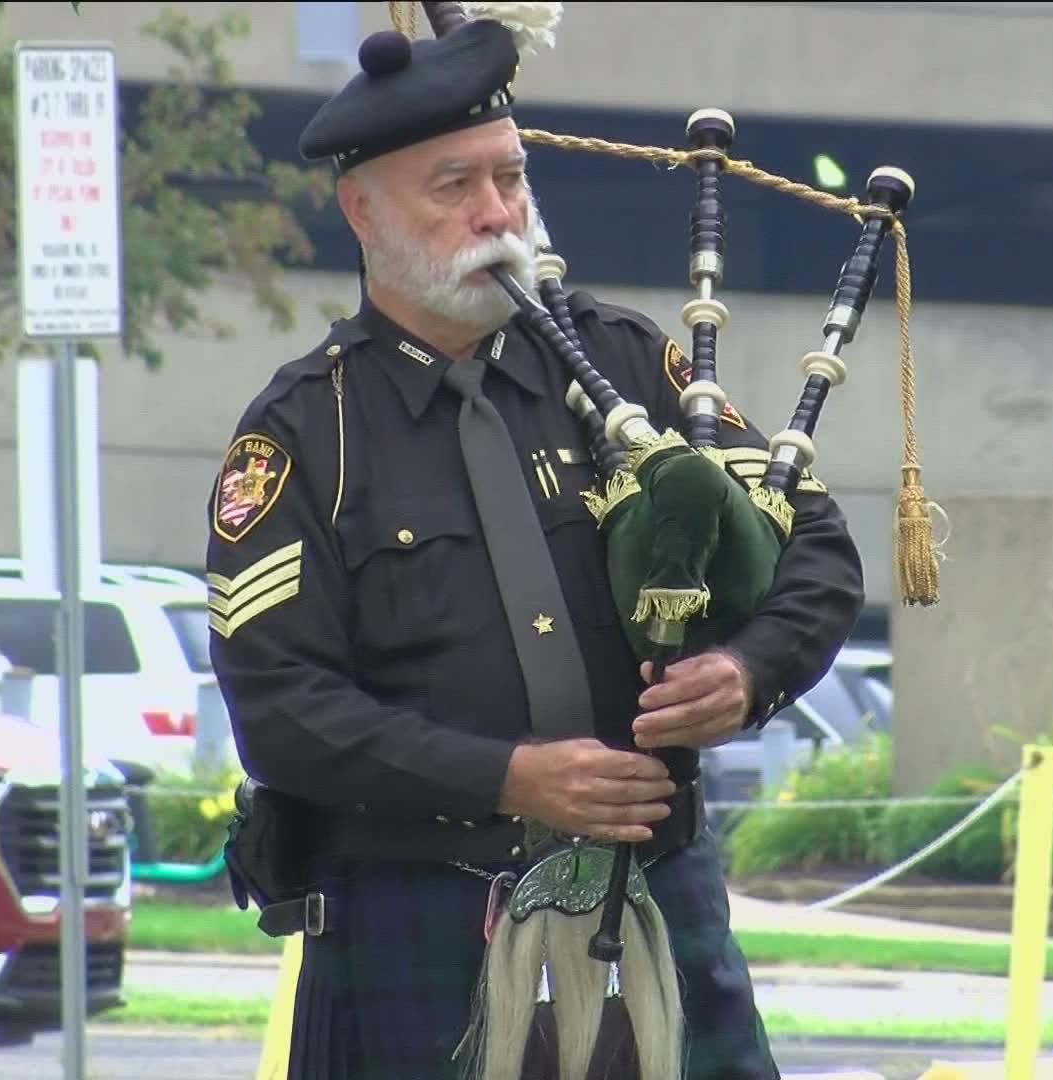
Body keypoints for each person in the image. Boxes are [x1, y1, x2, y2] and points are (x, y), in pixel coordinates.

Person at [203, 9, 865, 1079]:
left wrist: (744, 674)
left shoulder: (626, 366)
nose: (496, 212)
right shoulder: (299, 435)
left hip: (650, 895)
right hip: (412, 918)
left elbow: (814, 551)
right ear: (361, 211)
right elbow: (282, 713)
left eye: (508, 178)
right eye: (453, 186)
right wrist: (507, 777)